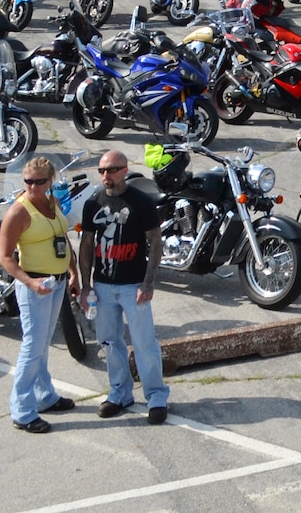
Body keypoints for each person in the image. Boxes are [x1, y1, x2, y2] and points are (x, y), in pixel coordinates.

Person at [80, 150, 168, 425]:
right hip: (104, 286)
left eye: (112, 170)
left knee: (144, 343)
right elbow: (86, 245)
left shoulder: (141, 202)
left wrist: (148, 282)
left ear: (125, 170)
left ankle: (156, 396)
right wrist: (85, 285)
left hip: (134, 285)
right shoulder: (93, 202)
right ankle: (120, 392)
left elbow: (155, 242)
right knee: (109, 341)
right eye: (102, 170)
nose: (106, 175)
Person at [0, 155, 78, 434]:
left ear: (50, 181)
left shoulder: (52, 202)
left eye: (38, 182)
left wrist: (74, 271)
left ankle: (45, 396)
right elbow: (6, 258)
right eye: (28, 182)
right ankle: (21, 410)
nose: (32, 187)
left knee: (43, 342)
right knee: (32, 347)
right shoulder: (18, 212)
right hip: (35, 286)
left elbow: (63, 237)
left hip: (56, 284)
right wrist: (30, 283)